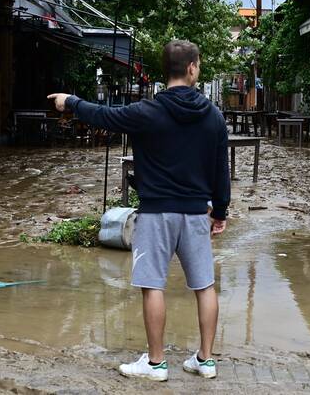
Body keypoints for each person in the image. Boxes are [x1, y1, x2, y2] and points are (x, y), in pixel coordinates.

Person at [48, 40, 230, 381]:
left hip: (155, 213)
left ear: (168, 70)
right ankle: (205, 361)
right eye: (199, 65)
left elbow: (104, 115)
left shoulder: (146, 112)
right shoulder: (214, 117)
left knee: (153, 285)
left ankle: (156, 364)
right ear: (192, 68)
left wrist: (69, 102)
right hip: (195, 213)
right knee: (205, 286)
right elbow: (222, 170)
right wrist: (220, 212)